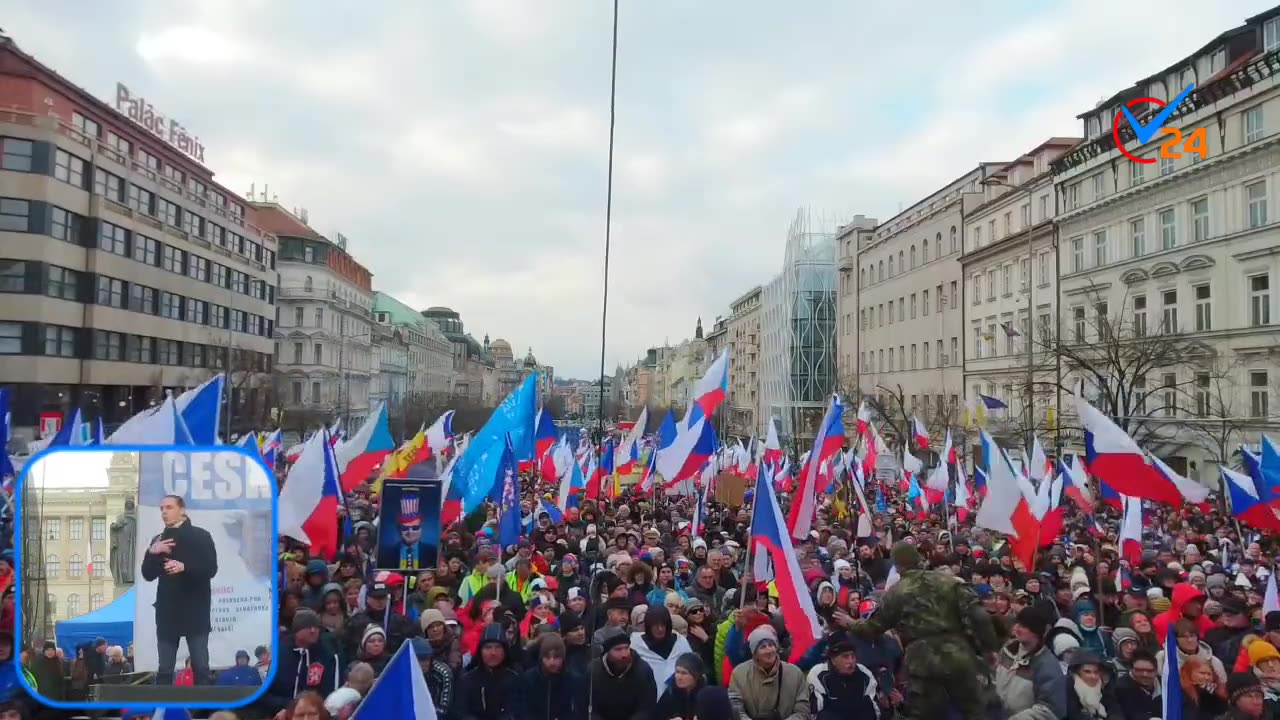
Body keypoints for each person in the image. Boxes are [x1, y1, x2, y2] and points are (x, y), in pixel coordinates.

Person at [852, 541, 999, 720]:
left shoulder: (896, 592)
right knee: (974, 712)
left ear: (897, 565)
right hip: (957, 654)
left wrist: (849, 623)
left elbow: (873, 628)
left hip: (922, 661)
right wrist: (989, 648)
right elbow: (979, 616)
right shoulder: (948, 581)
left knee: (925, 715)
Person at [139, 494, 218, 686]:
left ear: (182, 510)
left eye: (169, 507)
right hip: (168, 612)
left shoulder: (201, 535)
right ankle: (164, 712)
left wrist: (185, 567)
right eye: (162, 509)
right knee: (165, 669)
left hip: (195, 611)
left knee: (201, 667)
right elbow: (148, 574)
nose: (164, 512)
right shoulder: (159, 539)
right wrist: (152, 553)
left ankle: (203, 712)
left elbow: (210, 569)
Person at [728, 625, 809, 720]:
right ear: (755, 653)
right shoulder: (739, 673)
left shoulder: (794, 673)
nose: (769, 650)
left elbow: (803, 710)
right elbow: (735, 708)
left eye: (771, 645)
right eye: (763, 647)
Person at [806, 632, 880, 720]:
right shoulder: (818, 673)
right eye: (845, 657)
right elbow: (814, 710)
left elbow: (874, 710)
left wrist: (831, 703)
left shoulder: (865, 673)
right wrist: (856, 705)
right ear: (833, 659)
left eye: (853, 656)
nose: (851, 661)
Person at [590, 628, 657, 720]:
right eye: (618, 649)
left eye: (626, 648)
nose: (624, 654)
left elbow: (646, 708)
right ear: (607, 652)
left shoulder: (643, 671)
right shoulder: (593, 672)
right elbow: (588, 708)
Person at [456, 624, 519, 720]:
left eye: (498, 647)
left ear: (504, 651)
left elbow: (516, 712)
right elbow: (461, 712)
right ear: (480, 651)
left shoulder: (514, 678)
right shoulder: (466, 679)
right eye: (488, 647)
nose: (493, 653)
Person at [655, 653, 706, 720]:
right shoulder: (670, 692)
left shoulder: (705, 696)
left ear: (696, 675)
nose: (679, 677)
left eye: (684, 673)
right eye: (677, 672)